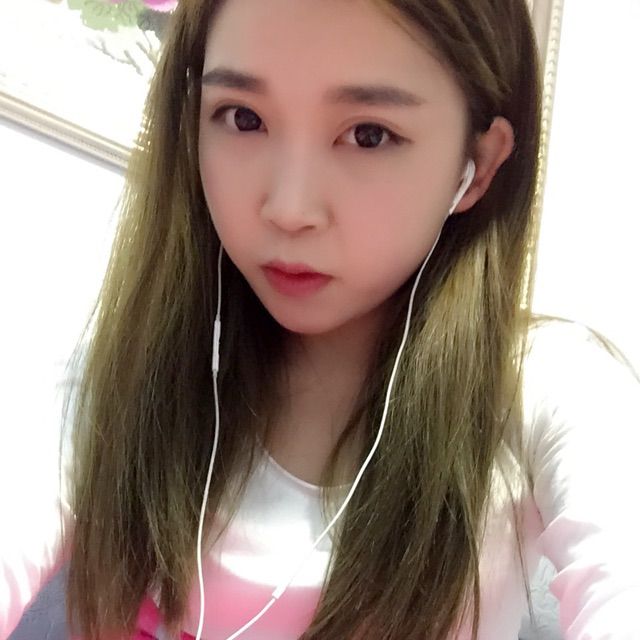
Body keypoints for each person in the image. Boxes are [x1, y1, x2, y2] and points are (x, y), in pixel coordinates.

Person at [2, 0, 640, 638]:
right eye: (243, 118)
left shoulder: (546, 389)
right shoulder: (127, 373)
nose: (289, 208)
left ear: (478, 166)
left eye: (369, 134)